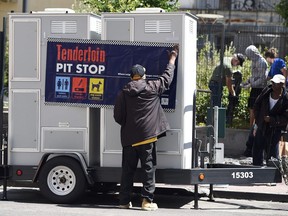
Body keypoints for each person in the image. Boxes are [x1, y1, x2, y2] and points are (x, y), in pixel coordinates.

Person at [113, 44, 179, 211]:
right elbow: (167, 78)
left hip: (129, 139)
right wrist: (172, 58)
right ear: (143, 76)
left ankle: (123, 201)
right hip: (148, 137)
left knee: (127, 171)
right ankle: (147, 202)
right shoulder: (152, 88)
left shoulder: (123, 93)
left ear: (131, 77)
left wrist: (130, 127)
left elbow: (118, 117)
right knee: (148, 169)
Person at [252, 74, 288, 166]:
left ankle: (272, 172)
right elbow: (256, 106)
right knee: (257, 148)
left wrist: (272, 120)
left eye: (276, 83)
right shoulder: (266, 92)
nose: (273, 85)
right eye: (272, 82)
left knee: (272, 152)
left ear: (282, 84)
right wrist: (258, 122)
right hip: (262, 125)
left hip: (275, 129)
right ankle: (256, 169)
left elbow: (285, 118)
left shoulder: (286, 99)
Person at [242, 45, 268, 157]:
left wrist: (251, 84)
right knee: (251, 108)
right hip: (254, 88)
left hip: (259, 89)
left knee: (255, 110)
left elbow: (262, 78)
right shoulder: (254, 61)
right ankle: (251, 125)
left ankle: (253, 127)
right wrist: (247, 82)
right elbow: (254, 75)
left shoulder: (261, 62)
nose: (248, 57)